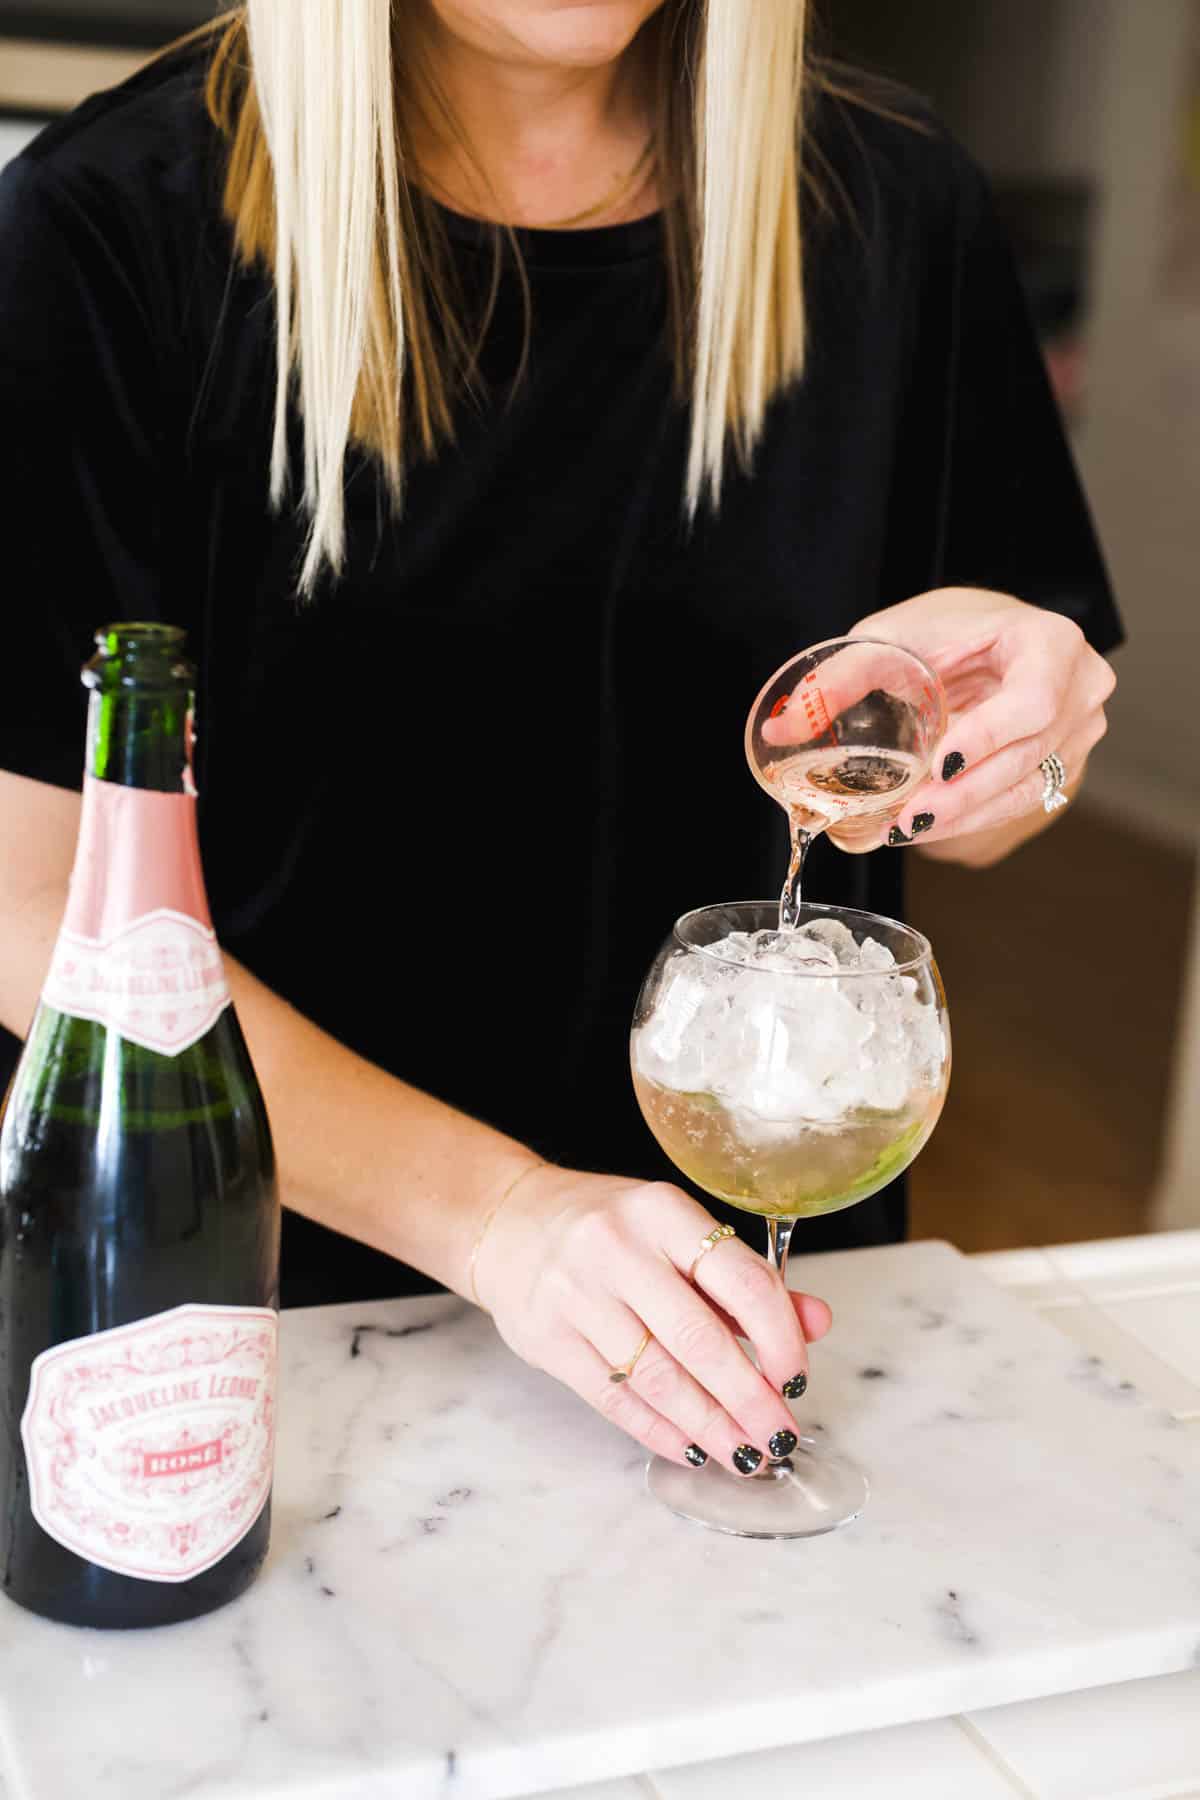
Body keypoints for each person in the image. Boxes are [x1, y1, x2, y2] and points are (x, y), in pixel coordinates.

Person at [0, 1, 1119, 1481]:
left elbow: (996, 790)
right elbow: (30, 902)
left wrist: (1012, 745)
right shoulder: (102, 227)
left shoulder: (899, 205)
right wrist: (505, 1219)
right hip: (258, 1336)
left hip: (756, 1315)